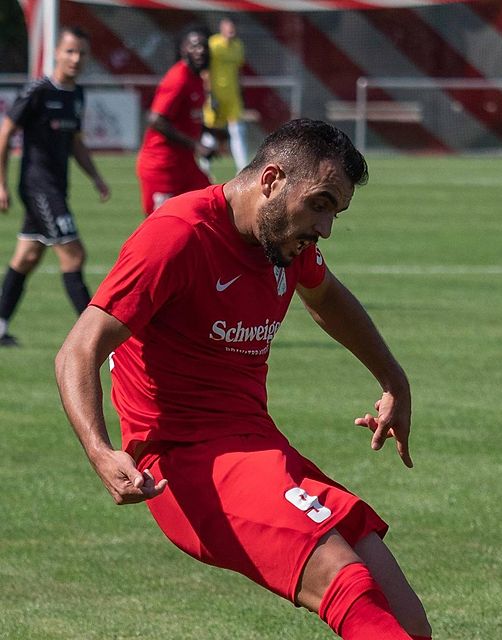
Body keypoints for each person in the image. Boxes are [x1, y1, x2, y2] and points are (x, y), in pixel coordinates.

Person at [55, 119, 432, 640]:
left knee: (406, 620)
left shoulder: (282, 242)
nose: (325, 229)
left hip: (260, 445)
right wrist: (100, 450)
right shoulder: (178, 235)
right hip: (189, 462)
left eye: (335, 213)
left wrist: (394, 379)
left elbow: (327, 298)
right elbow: (79, 348)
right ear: (272, 179)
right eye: (320, 204)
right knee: (347, 586)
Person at [0, 26, 109, 347]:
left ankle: (0, 327)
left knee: (27, 257)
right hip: (38, 186)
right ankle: (92, 336)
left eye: (82, 53)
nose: (76, 59)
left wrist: (96, 176)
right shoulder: (37, 91)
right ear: (56, 53)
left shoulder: (77, 95)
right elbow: (5, 134)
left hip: (56, 189)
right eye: (70, 51)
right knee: (74, 255)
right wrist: (1, 184)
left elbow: (75, 142)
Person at [136, 24, 215, 216]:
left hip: (184, 163)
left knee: (211, 208)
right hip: (162, 165)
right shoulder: (178, 77)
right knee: (160, 226)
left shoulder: (197, 78)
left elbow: (190, 117)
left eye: (204, 46)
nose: (201, 51)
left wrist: (214, 133)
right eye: (194, 46)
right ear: (183, 50)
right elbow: (156, 119)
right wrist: (195, 145)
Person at [204, 16, 248, 172]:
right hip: (215, 95)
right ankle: (204, 167)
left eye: (233, 27)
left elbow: (239, 70)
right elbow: (206, 70)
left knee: (238, 130)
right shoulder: (213, 44)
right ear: (222, 27)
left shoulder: (238, 46)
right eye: (229, 26)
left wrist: (241, 91)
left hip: (232, 96)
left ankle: (242, 169)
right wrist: (209, 93)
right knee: (212, 131)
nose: (231, 30)